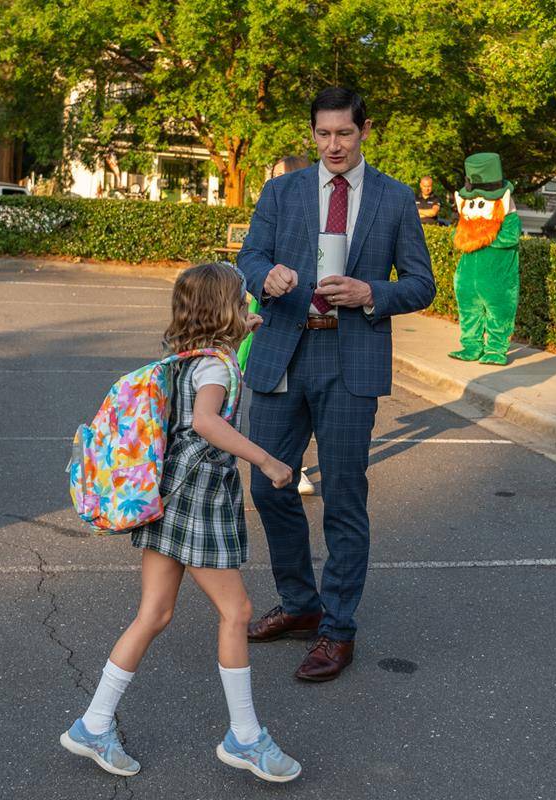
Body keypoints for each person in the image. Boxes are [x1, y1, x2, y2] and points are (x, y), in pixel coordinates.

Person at [59, 263, 302, 783]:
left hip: (166, 497)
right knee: (237, 610)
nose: (249, 307)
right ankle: (245, 736)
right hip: (198, 504)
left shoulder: (194, 359)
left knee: (154, 614)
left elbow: (210, 382)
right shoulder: (215, 369)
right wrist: (266, 460)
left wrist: (246, 332)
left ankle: (94, 723)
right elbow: (208, 421)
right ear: (222, 311)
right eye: (243, 301)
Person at [238, 87, 435, 682]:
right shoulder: (282, 190)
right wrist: (264, 276)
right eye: (322, 135)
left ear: (364, 131)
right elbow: (249, 256)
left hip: (352, 360)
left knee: (345, 498)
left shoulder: (396, 199)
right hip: (282, 353)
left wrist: (374, 292)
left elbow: (421, 284)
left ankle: (337, 628)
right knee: (270, 486)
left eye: (343, 134)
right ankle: (300, 604)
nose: (333, 146)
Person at [239, 153, 316, 496]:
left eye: (279, 176)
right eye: (271, 177)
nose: (274, 183)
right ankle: (278, 462)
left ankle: (293, 463)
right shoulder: (271, 203)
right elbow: (251, 256)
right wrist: (263, 277)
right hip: (273, 312)